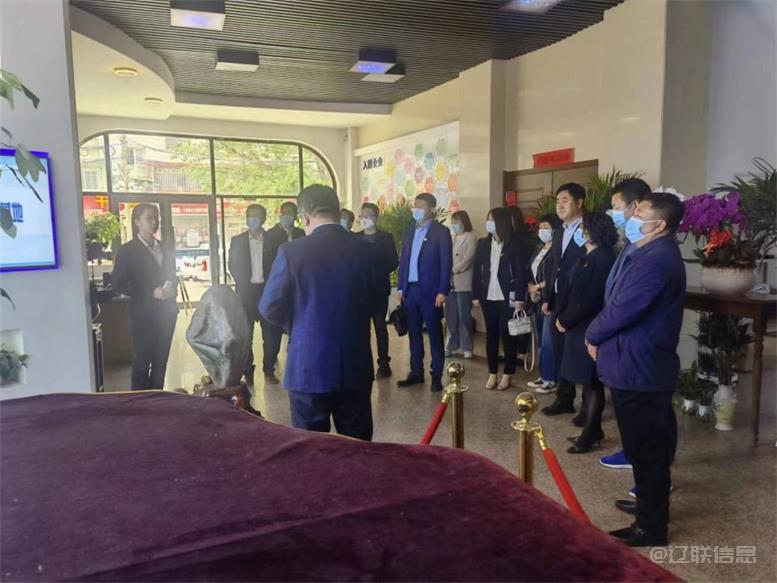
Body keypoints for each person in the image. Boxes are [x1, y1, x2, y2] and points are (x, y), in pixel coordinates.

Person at [585, 192, 686, 547]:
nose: (631, 215)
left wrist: (593, 334)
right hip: (634, 363)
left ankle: (651, 527)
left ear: (659, 224)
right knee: (642, 446)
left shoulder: (657, 259)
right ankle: (648, 504)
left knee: (646, 450)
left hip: (641, 367)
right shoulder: (644, 249)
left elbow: (624, 307)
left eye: (640, 211)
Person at [259, 184, 378, 440]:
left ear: (304, 217)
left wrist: (298, 325)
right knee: (358, 448)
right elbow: (378, 303)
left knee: (310, 450)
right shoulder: (367, 251)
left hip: (308, 366)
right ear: (338, 211)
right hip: (355, 364)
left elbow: (268, 305)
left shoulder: (292, 252)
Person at [598, 178, 652, 470]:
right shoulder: (633, 244)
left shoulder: (652, 252)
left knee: (642, 410)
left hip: (637, 343)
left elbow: (628, 303)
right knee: (628, 408)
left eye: (616, 207)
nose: (613, 213)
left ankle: (644, 463)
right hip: (622, 341)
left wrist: (595, 334)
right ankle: (632, 451)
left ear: (636, 206)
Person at [555, 212, 617, 453]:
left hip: (588, 324)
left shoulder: (603, 258)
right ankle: (593, 429)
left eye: (584, 228)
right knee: (587, 381)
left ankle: (590, 433)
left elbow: (592, 298)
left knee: (592, 382)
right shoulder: (587, 255)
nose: (581, 232)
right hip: (576, 324)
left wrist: (566, 319)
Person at [111, 203, 178, 390]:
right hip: (143, 314)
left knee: (161, 361)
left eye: (156, 218)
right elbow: (117, 283)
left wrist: (172, 287)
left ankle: (158, 398)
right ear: (137, 222)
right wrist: (150, 293)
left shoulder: (165, 248)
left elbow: (172, 275)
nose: (154, 222)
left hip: (167, 313)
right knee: (142, 361)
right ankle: (140, 401)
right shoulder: (128, 250)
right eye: (149, 218)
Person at [396, 193, 453, 392]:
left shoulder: (441, 232)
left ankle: (436, 374)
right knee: (413, 333)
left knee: (434, 333)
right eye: (415, 206)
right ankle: (416, 372)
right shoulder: (408, 231)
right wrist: (401, 286)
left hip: (431, 292)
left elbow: (446, 263)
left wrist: (443, 290)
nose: (416, 210)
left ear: (431, 209)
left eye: (420, 206)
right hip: (410, 291)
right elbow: (404, 260)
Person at [540, 183, 587, 417]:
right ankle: (564, 398)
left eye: (565, 200)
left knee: (579, 351)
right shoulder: (559, 231)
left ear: (579, 202)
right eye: (557, 201)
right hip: (558, 299)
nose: (559, 205)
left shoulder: (589, 230)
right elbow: (553, 267)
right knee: (558, 349)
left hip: (579, 299)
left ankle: (589, 405)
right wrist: (547, 297)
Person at [472, 208, 527, 390]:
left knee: (508, 335)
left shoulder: (514, 244)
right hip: (488, 296)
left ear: (501, 222)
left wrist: (520, 299)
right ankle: (492, 372)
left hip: (507, 297)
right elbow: (477, 271)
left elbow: (520, 273)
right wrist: (475, 295)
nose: (488, 223)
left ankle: (508, 373)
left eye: (492, 220)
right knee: (491, 336)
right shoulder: (483, 244)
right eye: (488, 219)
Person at [227, 204, 276, 384]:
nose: (253, 219)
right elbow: (232, 265)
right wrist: (242, 282)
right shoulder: (237, 240)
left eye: (257, 215)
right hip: (245, 294)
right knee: (245, 337)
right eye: (250, 215)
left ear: (264, 218)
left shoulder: (273, 240)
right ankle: (248, 371)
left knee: (271, 336)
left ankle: (269, 370)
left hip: (267, 293)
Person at [261, 201, 305, 384]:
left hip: (298, 289)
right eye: (285, 213)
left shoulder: (301, 234)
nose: (288, 216)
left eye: (291, 213)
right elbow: (266, 262)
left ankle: (297, 366)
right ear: (280, 214)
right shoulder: (270, 235)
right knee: (273, 334)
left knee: (297, 330)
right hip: (278, 287)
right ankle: (268, 369)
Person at [355, 202, 399, 378]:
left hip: (379, 288)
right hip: (360, 290)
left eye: (369, 215)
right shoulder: (355, 238)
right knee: (361, 329)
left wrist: (377, 268)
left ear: (376, 217)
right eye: (362, 215)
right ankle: (362, 363)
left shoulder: (385, 238)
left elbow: (393, 262)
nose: (365, 218)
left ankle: (383, 363)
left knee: (380, 326)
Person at [526, 214, 562, 392]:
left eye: (546, 227)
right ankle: (543, 375)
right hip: (536, 299)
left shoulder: (558, 249)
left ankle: (551, 379)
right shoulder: (539, 247)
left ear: (555, 229)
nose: (542, 230)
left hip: (550, 299)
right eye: (540, 227)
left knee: (549, 341)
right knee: (540, 340)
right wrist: (531, 288)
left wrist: (539, 286)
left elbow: (557, 275)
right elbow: (530, 269)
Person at [445, 210, 477, 359]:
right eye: (453, 222)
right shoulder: (451, 238)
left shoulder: (470, 237)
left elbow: (468, 259)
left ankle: (467, 346)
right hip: (449, 283)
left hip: (463, 281)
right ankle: (452, 345)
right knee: (451, 316)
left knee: (464, 316)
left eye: (457, 222)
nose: (454, 225)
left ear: (464, 222)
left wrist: (454, 269)